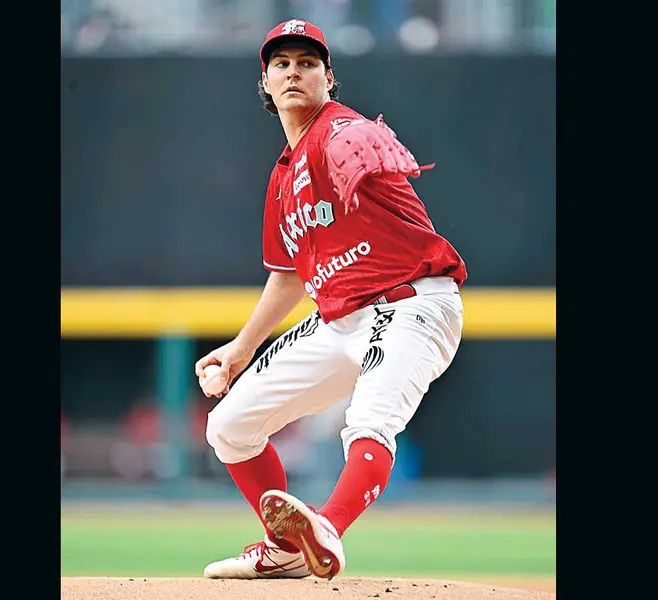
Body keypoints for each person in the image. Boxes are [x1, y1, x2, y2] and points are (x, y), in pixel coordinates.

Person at [195, 18, 467, 581]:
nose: (294, 72)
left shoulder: (341, 132)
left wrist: (358, 141)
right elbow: (289, 275)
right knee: (228, 426)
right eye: (282, 64)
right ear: (265, 82)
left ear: (329, 78)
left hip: (412, 304)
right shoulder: (282, 176)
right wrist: (242, 348)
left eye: (308, 63)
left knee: (369, 419)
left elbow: (363, 143)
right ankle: (287, 549)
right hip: (338, 320)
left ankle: (328, 529)